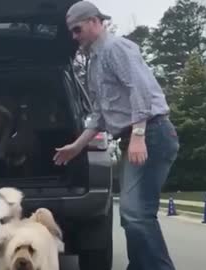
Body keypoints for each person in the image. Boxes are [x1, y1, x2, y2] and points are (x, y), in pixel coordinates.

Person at [54, 1, 180, 270]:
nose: (75, 37)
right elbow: (100, 113)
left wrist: (138, 135)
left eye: (77, 30)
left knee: (136, 213)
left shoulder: (116, 48)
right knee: (132, 215)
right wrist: (76, 146)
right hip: (139, 135)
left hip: (153, 133)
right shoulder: (94, 62)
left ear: (94, 21)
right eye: (72, 33)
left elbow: (141, 90)